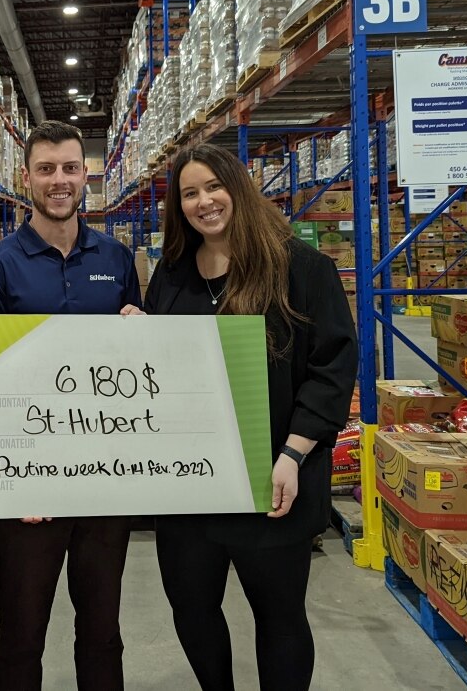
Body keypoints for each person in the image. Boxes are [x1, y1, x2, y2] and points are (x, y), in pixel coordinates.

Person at [133, 143, 356, 691]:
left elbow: (332, 368)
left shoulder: (300, 267)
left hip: (269, 481)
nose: (204, 201)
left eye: (214, 186)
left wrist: (294, 455)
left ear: (238, 188)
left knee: (279, 619)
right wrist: (137, 334)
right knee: (192, 610)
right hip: (190, 488)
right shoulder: (174, 273)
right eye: (189, 193)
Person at [0, 119, 142, 691]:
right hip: (29, 488)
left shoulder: (117, 260)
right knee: (21, 634)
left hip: (104, 480)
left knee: (102, 630)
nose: (59, 180)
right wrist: (12, 483)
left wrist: (141, 332)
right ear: (27, 178)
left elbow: (136, 367)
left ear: (85, 175)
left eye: (70, 168)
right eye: (46, 170)